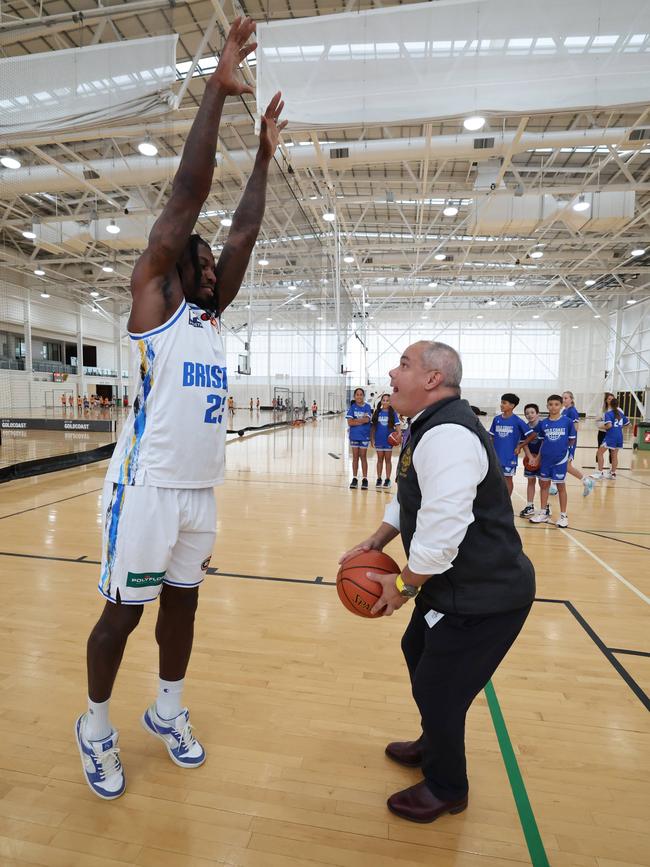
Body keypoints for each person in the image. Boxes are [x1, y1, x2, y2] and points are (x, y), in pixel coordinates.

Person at [75, 17, 286, 801]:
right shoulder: (155, 302)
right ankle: (95, 725)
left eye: (208, 259)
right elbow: (188, 197)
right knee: (121, 617)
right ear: (172, 264)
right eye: (198, 253)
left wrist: (263, 156)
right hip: (148, 485)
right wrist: (218, 91)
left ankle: (167, 709)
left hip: (199, 488)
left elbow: (246, 230)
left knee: (183, 608)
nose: (210, 258)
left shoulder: (208, 313)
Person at [339, 341, 534, 823]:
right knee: (418, 652)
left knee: (439, 688)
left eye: (403, 364)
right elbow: (411, 502)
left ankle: (448, 787)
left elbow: (444, 529)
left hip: (487, 594)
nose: (391, 372)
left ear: (432, 379)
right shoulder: (430, 425)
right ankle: (434, 741)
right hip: (455, 586)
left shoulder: (448, 434)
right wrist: (377, 540)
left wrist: (402, 587)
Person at [528, 395, 577, 528]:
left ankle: (563, 516)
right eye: (550, 404)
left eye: (556, 404)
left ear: (561, 406)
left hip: (560, 460)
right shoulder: (544, 423)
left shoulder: (567, 422)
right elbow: (543, 441)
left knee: (561, 487)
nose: (553, 407)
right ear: (547, 406)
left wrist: (566, 453)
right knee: (544, 486)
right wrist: (538, 457)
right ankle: (543, 512)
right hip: (546, 459)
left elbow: (572, 440)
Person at [488, 394, 536, 495]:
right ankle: (497, 502)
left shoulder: (517, 421)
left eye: (504, 403)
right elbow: (491, 437)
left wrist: (519, 446)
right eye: (501, 402)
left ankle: (507, 503)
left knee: (508, 479)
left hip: (510, 456)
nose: (501, 405)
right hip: (496, 456)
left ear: (512, 405)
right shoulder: (496, 419)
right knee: (495, 480)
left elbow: (532, 435)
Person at [560, 391, 594, 497]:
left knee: (566, 466)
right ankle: (556, 485)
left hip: (570, 442)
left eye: (566, 398)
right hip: (563, 441)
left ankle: (587, 481)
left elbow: (576, 428)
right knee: (562, 464)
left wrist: (567, 437)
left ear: (571, 399)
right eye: (563, 398)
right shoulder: (564, 411)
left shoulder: (572, 411)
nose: (564, 400)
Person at [519, 403, 545, 519]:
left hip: (542, 458)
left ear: (537, 413)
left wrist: (538, 458)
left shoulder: (543, 425)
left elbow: (544, 443)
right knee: (530, 481)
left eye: (532, 412)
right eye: (527, 413)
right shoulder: (525, 427)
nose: (529, 415)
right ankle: (530, 506)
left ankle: (545, 507)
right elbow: (523, 444)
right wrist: (530, 457)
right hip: (530, 459)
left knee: (543, 483)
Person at [594, 398, 630, 479]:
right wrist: (619, 427)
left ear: (610, 404)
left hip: (611, 437)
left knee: (599, 453)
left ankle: (600, 472)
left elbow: (609, 425)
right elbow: (628, 424)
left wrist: (601, 426)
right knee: (614, 455)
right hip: (620, 437)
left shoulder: (608, 413)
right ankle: (613, 474)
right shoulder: (621, 413)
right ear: (617, 405)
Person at [370, 393, 399, 489]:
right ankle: (379, 479)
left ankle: (387, 479)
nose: (385, 402)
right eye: (384, 400)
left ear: (390, 402)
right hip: (379, 440)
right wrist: (372, 439)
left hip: (388, 441)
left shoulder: (393, 413)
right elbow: (373, 427)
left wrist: (398, 436)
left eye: (387, 400)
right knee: (379, 460)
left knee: (388, 460)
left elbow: (398, 426)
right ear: (381, 401)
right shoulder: (377, 412)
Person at [346, 387, 372, 490]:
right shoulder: (352, 407)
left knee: (363, 457)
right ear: (354, 396)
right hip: (354, 435)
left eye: (361, 394)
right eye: (357, 394)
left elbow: (367, 420)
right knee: (355, 457)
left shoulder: (367, 407)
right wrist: (361, 420)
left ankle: (365, 479)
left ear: (363, 396)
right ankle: (355, 478)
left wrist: (356, 420)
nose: (359, 396)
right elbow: (349, 422)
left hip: (364, 435)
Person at [595, 392, 615, 470]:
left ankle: (612, 470)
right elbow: (597, 422)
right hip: (602, 433)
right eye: (609, 399)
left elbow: (619, 423)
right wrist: (604, 426)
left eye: (612, 399)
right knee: (600, 450)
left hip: (612, 434)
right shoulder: (602, 410)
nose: (611, 400)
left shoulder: (618, 410)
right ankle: (599, 469)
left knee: (612, 452)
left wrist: (610, 426)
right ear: (606, 400)